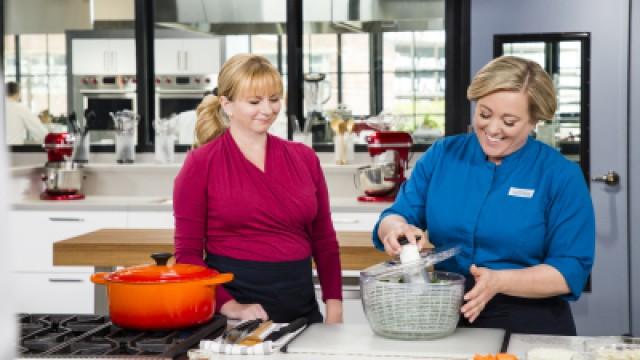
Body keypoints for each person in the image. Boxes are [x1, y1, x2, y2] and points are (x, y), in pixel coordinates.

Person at [372, 55, 595, 335]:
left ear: (534, 121)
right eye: (484, 114)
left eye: (509, 121)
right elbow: (398, 214)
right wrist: (394, 229)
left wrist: (500, 281)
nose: (492, 129)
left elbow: (570, 270)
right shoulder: (444, 155)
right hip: (445, 318)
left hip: (530, 324)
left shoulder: (560, 176)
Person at [173, 54, 343, 324]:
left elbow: (323, 240)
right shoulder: (201, 163)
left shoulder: (304, 158)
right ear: (226, 104)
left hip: (303, 314)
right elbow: (187, 256)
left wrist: (334, 307)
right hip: (238, 320)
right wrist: (232, 307)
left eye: (274, 99)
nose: (267, 110)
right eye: (254, 101)